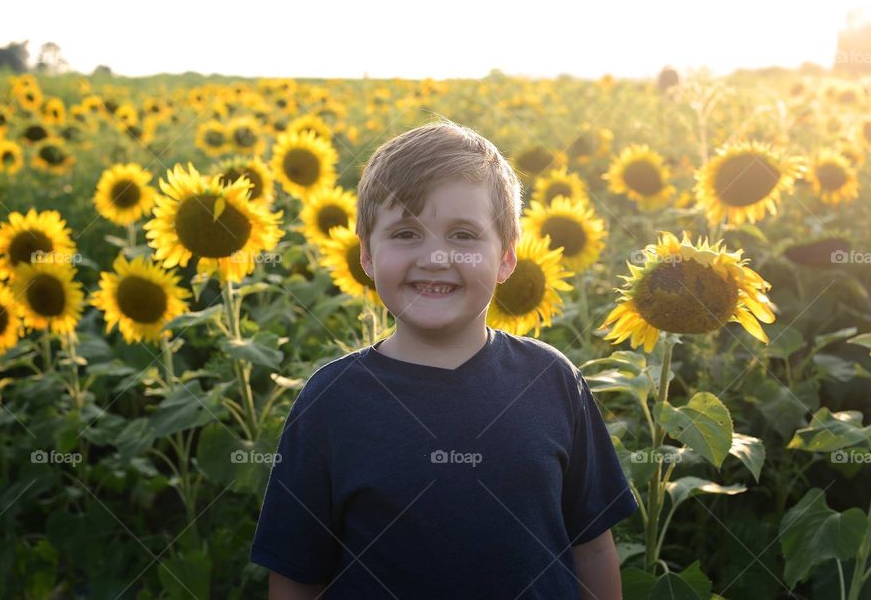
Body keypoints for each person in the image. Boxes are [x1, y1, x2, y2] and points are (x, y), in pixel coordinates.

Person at [250, 119, 637, 599]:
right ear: (366, 255)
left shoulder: (553, 380)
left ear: (506, 258)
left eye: (463, 235)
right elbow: (294, 576)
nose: (435, 257)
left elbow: (593, 548)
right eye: (407, 233)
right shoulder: (330, 401)